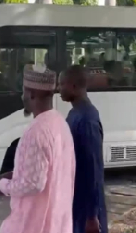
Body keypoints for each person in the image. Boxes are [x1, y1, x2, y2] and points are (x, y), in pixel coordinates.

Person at [0, 64, 76, 233]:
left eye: (24, 92)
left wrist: (1, 185)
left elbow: (33, 184)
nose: (23, 97)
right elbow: (48, 172)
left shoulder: (37, 131)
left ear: (33, 94)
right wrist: (16, 174)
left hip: (34, 225)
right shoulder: (60, 123)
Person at [59, 65, 107, 233]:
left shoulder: (87, 119)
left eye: (62, 84)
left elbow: (93, 168)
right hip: (76, 201)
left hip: (86, 210)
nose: (59, 89)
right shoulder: (74, 114)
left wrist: (92, 216)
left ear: (73, 86)